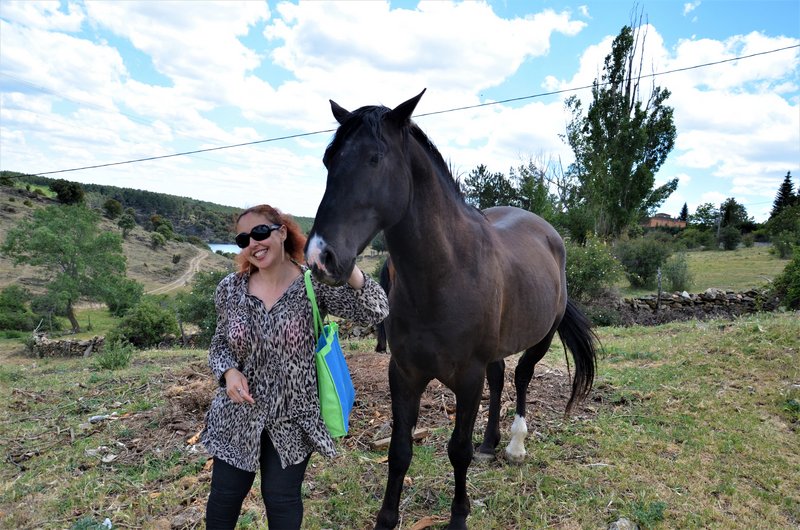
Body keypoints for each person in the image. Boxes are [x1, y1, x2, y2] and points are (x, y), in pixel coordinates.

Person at [202, 204, 389, 529]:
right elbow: (220, 344)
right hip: (235, 415)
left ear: (283, 232)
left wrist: (349, 267)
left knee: (282, 501)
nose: (253, 244)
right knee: (223, 499)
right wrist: (228, 371)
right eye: (243, 238)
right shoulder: (231, 289)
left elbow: (377, 309)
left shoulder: (314, 286)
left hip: (292, 419)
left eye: (260, 232)